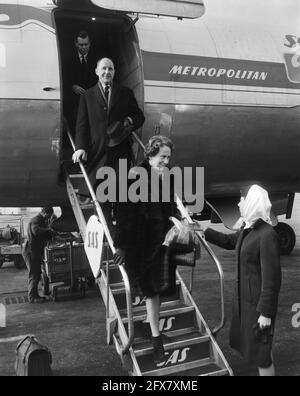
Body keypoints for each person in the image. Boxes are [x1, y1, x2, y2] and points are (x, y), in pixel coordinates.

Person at [114, 136, 180, 364]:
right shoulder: (134, 175)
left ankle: (153, 330)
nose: (166, 161)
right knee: (151, 291)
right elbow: (124, 212)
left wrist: (177, 223)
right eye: (163, 156)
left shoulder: (166, 175)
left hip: (162, 242)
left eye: (169, 157)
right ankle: (155, 339)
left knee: (157, 290)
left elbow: (171, 205)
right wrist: (121, 245)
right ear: (150, 154)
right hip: (141, 244)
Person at [203, 185, 282, 376]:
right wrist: (203, 230)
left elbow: (272, 279)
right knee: (260, 350)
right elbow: (229, 241)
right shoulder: (250, 229)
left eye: (242, 199)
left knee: (262, 355)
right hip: (246, 304)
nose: (239, 203)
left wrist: (266, 313)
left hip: (257, 307)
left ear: (252, 202)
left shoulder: (266, 234)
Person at [72, 57, 145, 229]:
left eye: (110, 69)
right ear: (97, 71)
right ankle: (108, 234)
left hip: (121, 152)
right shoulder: (87, 96)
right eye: (103, 69)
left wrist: (128, 121)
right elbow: (82, 124)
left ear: (114, 72)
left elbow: (139, 117)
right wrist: (80, 147)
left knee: (121, 196)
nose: (107, 72)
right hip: (98, 154)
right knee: (101, 197)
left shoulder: (125, 93)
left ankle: (122, 237)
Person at [64, 31, 99, 136]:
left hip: (92, 99)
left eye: (86, 44)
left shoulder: (97, 59)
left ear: (90, 43)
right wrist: (72, 86)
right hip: (73, 101)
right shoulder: (67, 58)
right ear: (75, 44)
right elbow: (62, 77)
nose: (84, 47)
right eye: (81, 45)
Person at [22, 207, 56, 303]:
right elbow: (36, 231)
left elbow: (44, 234)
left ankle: (35, 295)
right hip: (31, 251)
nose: (48, 218)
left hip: (35, 251)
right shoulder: (36, 220)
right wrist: (49, 230)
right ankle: (32, 297)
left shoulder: (42, 221)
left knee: (37, 273)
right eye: (48, 216)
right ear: (44, 213)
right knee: (34, 274)